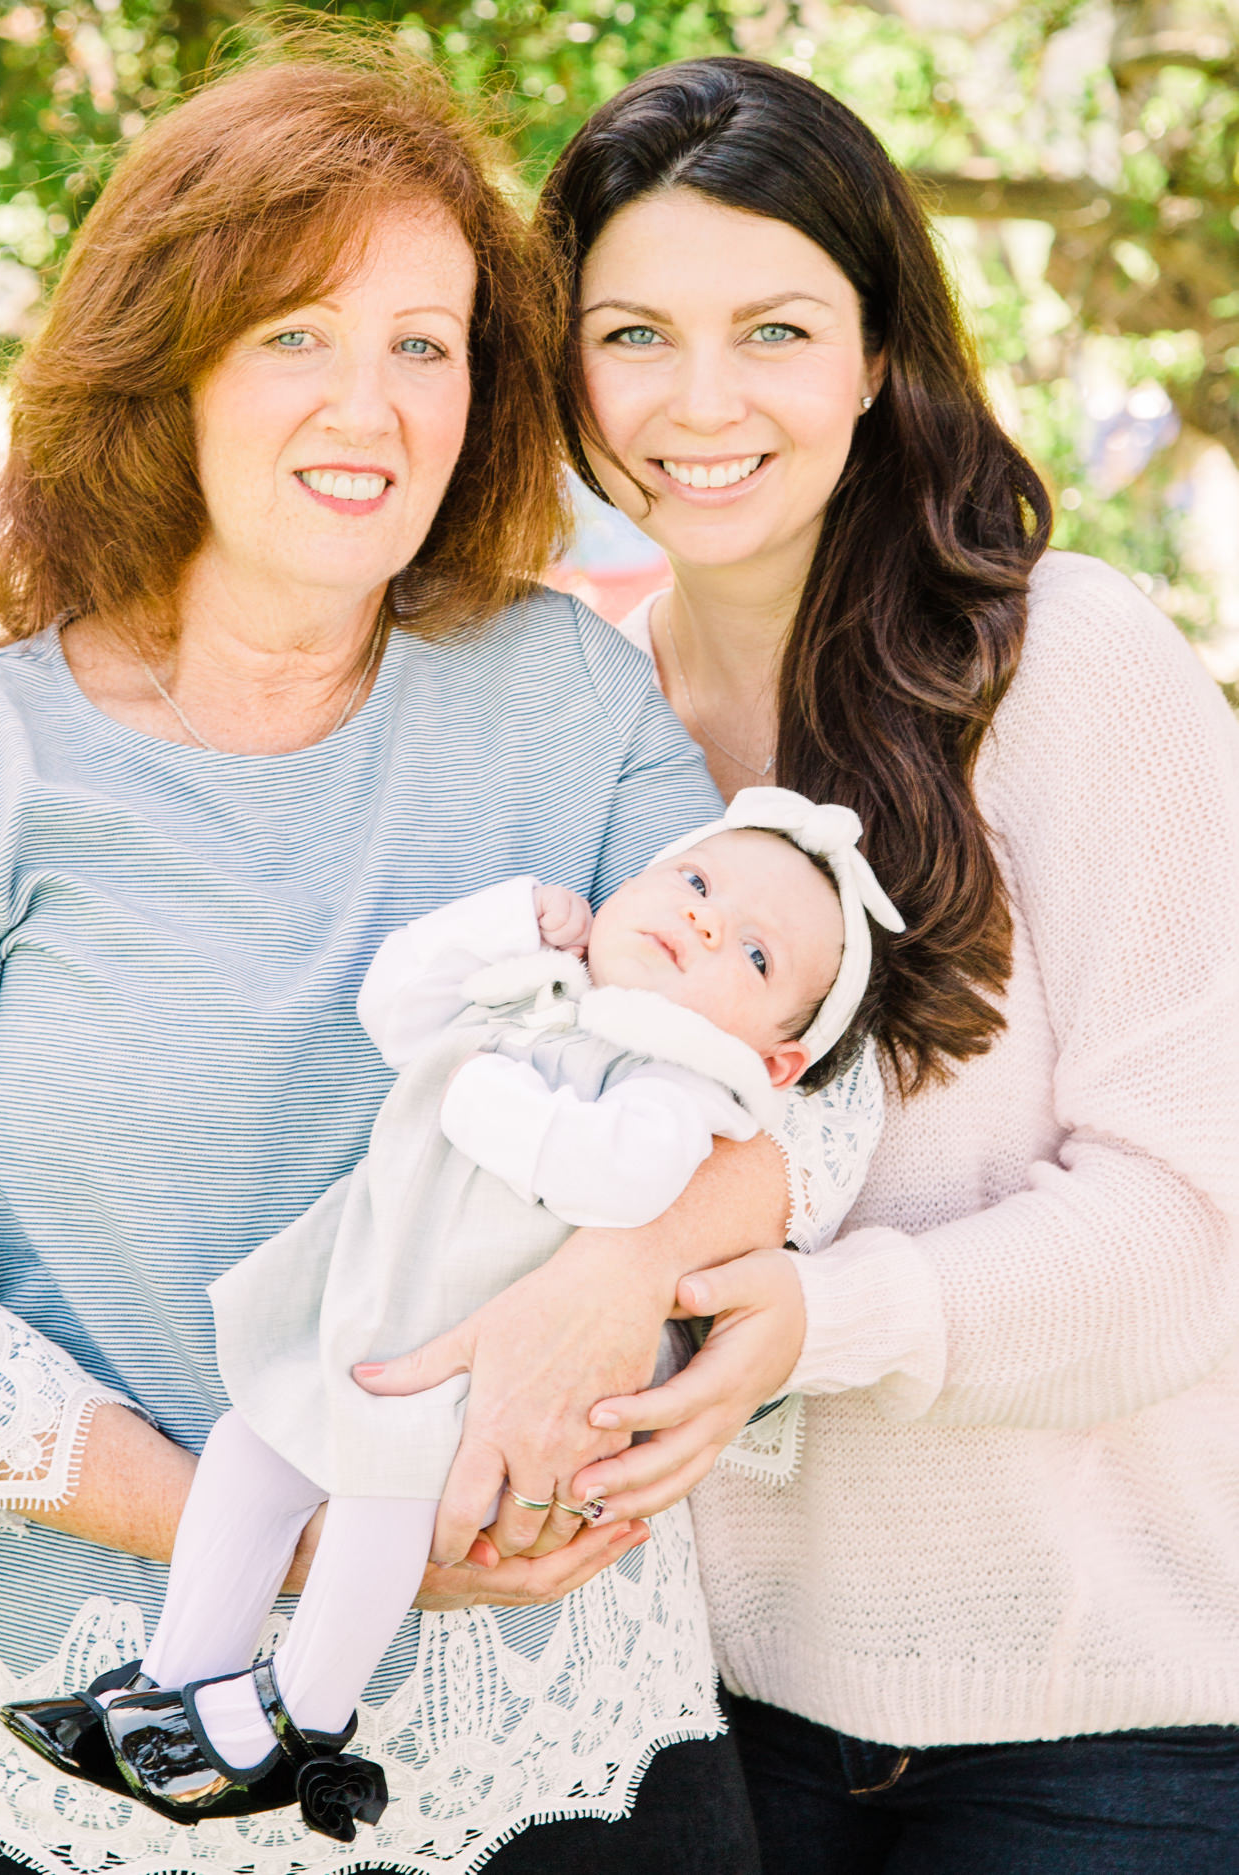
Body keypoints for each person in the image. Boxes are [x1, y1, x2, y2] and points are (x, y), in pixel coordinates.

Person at [0, 39, 879, 1875]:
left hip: (547, 1763)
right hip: (16, 1776)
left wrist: (625, 1263)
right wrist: (319, 1530)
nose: (371, 405)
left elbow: (807, 1085)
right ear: (168, 367)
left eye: (425, 344)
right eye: (294, 334)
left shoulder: (566, 689)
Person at [478, 52, 1239, 1873]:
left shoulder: (1068, 661)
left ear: (881, 351)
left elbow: (1195, 1228)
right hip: (702, 1726)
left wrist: (824, 1323)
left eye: (775, 329)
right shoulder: (579, 717)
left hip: (1096, 1732)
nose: (700, 400)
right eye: (635, 332)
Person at [0, 789, 902, 1839]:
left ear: (774, 1061)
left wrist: (481, 1098)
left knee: (384, 1510)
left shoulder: (677, 1087)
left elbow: (619, 1179)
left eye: (753, 956)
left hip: (476, 1368)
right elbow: (394, 1003)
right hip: (371, 1311)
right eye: (695, 883)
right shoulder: (534, 996)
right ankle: (169, 1682)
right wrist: (508, 921)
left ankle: (297, 1721)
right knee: (251, 1450)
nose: (704, 921)